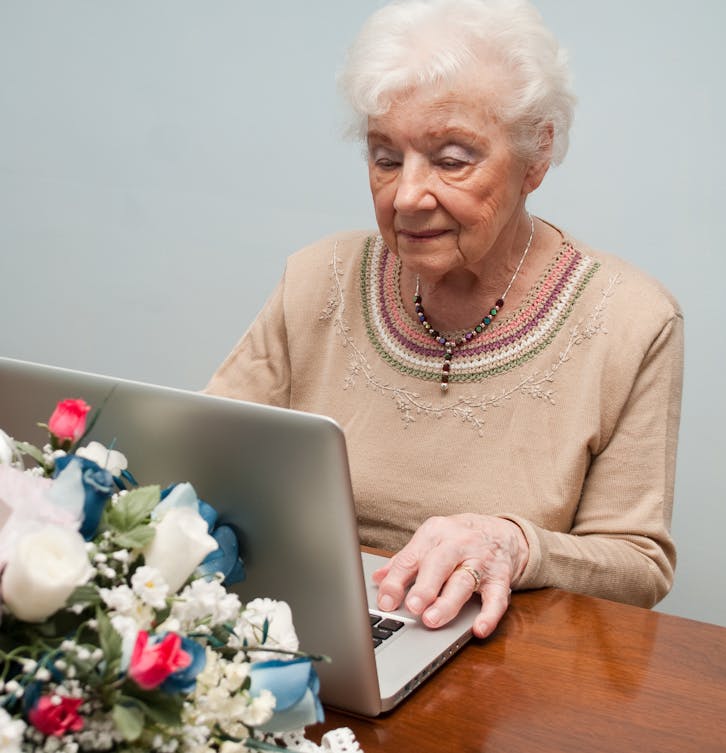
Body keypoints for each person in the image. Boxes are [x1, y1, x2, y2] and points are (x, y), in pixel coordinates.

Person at [206, 0, 683, 639]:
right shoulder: (318, 279)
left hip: (504, 661)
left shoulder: (632, 321)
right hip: (308, 624)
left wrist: (516, 545)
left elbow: (637, 565)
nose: (405, 195)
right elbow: (202, 458)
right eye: (385, 157)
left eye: (452, 160)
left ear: (535, 157)